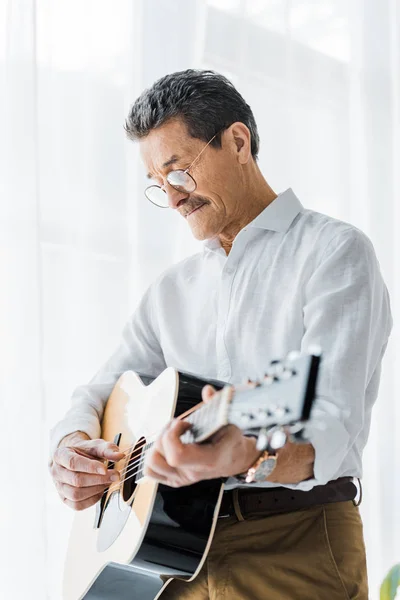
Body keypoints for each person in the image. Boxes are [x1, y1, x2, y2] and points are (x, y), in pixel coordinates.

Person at [49, 69, 392, 599]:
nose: (174, 197)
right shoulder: (170, 291)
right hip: (171, 561)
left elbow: (332, 424)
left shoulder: (334, 252)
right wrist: (70, 449)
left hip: (294, 543)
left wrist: (251, 455)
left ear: (238, 142)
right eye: (158, 186)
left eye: (179, 171)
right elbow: (97, 392)